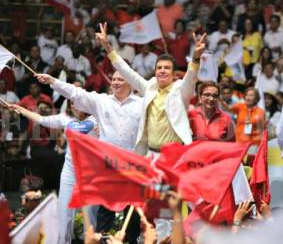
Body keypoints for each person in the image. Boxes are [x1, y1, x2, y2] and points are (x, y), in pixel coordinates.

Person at [34, 71, 143, 243]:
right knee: (104, 219)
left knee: (132, 222)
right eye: (113, 79)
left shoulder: (142, 104)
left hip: (131, 169)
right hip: (107, 169)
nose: (115, 82)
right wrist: (53, 81)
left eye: (120, 79)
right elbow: (77, 93)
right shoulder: (103, 101)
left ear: (130, 83)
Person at [96, 22, 207, 155]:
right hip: (150, 154)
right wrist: (108, 47)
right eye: (159, 68)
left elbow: (191, 78)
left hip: (174, 155)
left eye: (167, 68)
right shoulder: (149, 87)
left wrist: (196, 59)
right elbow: (126, 71)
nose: (162, 71)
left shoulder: (181, 90)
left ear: (173, 73)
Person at [7, 100, 97, 244]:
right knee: (64, 212)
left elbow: (83, 129)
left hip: (91, 170)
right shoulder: (65, 117)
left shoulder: (95, 118)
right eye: (71, 102)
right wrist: (20, 109)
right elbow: (42, 119)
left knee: (90, 214)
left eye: (77, 101)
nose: (74, 105)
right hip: (70, 168)